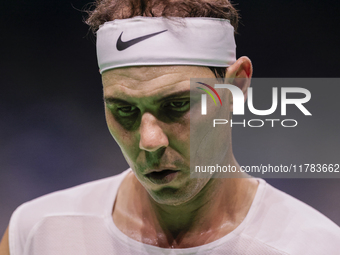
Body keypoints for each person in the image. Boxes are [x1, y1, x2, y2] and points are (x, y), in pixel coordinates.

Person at [1, 0, 340, 254]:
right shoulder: (36, 235)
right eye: (124, 109)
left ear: (237, 86)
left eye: (177, 105)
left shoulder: (314, 246)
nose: (149, 140)